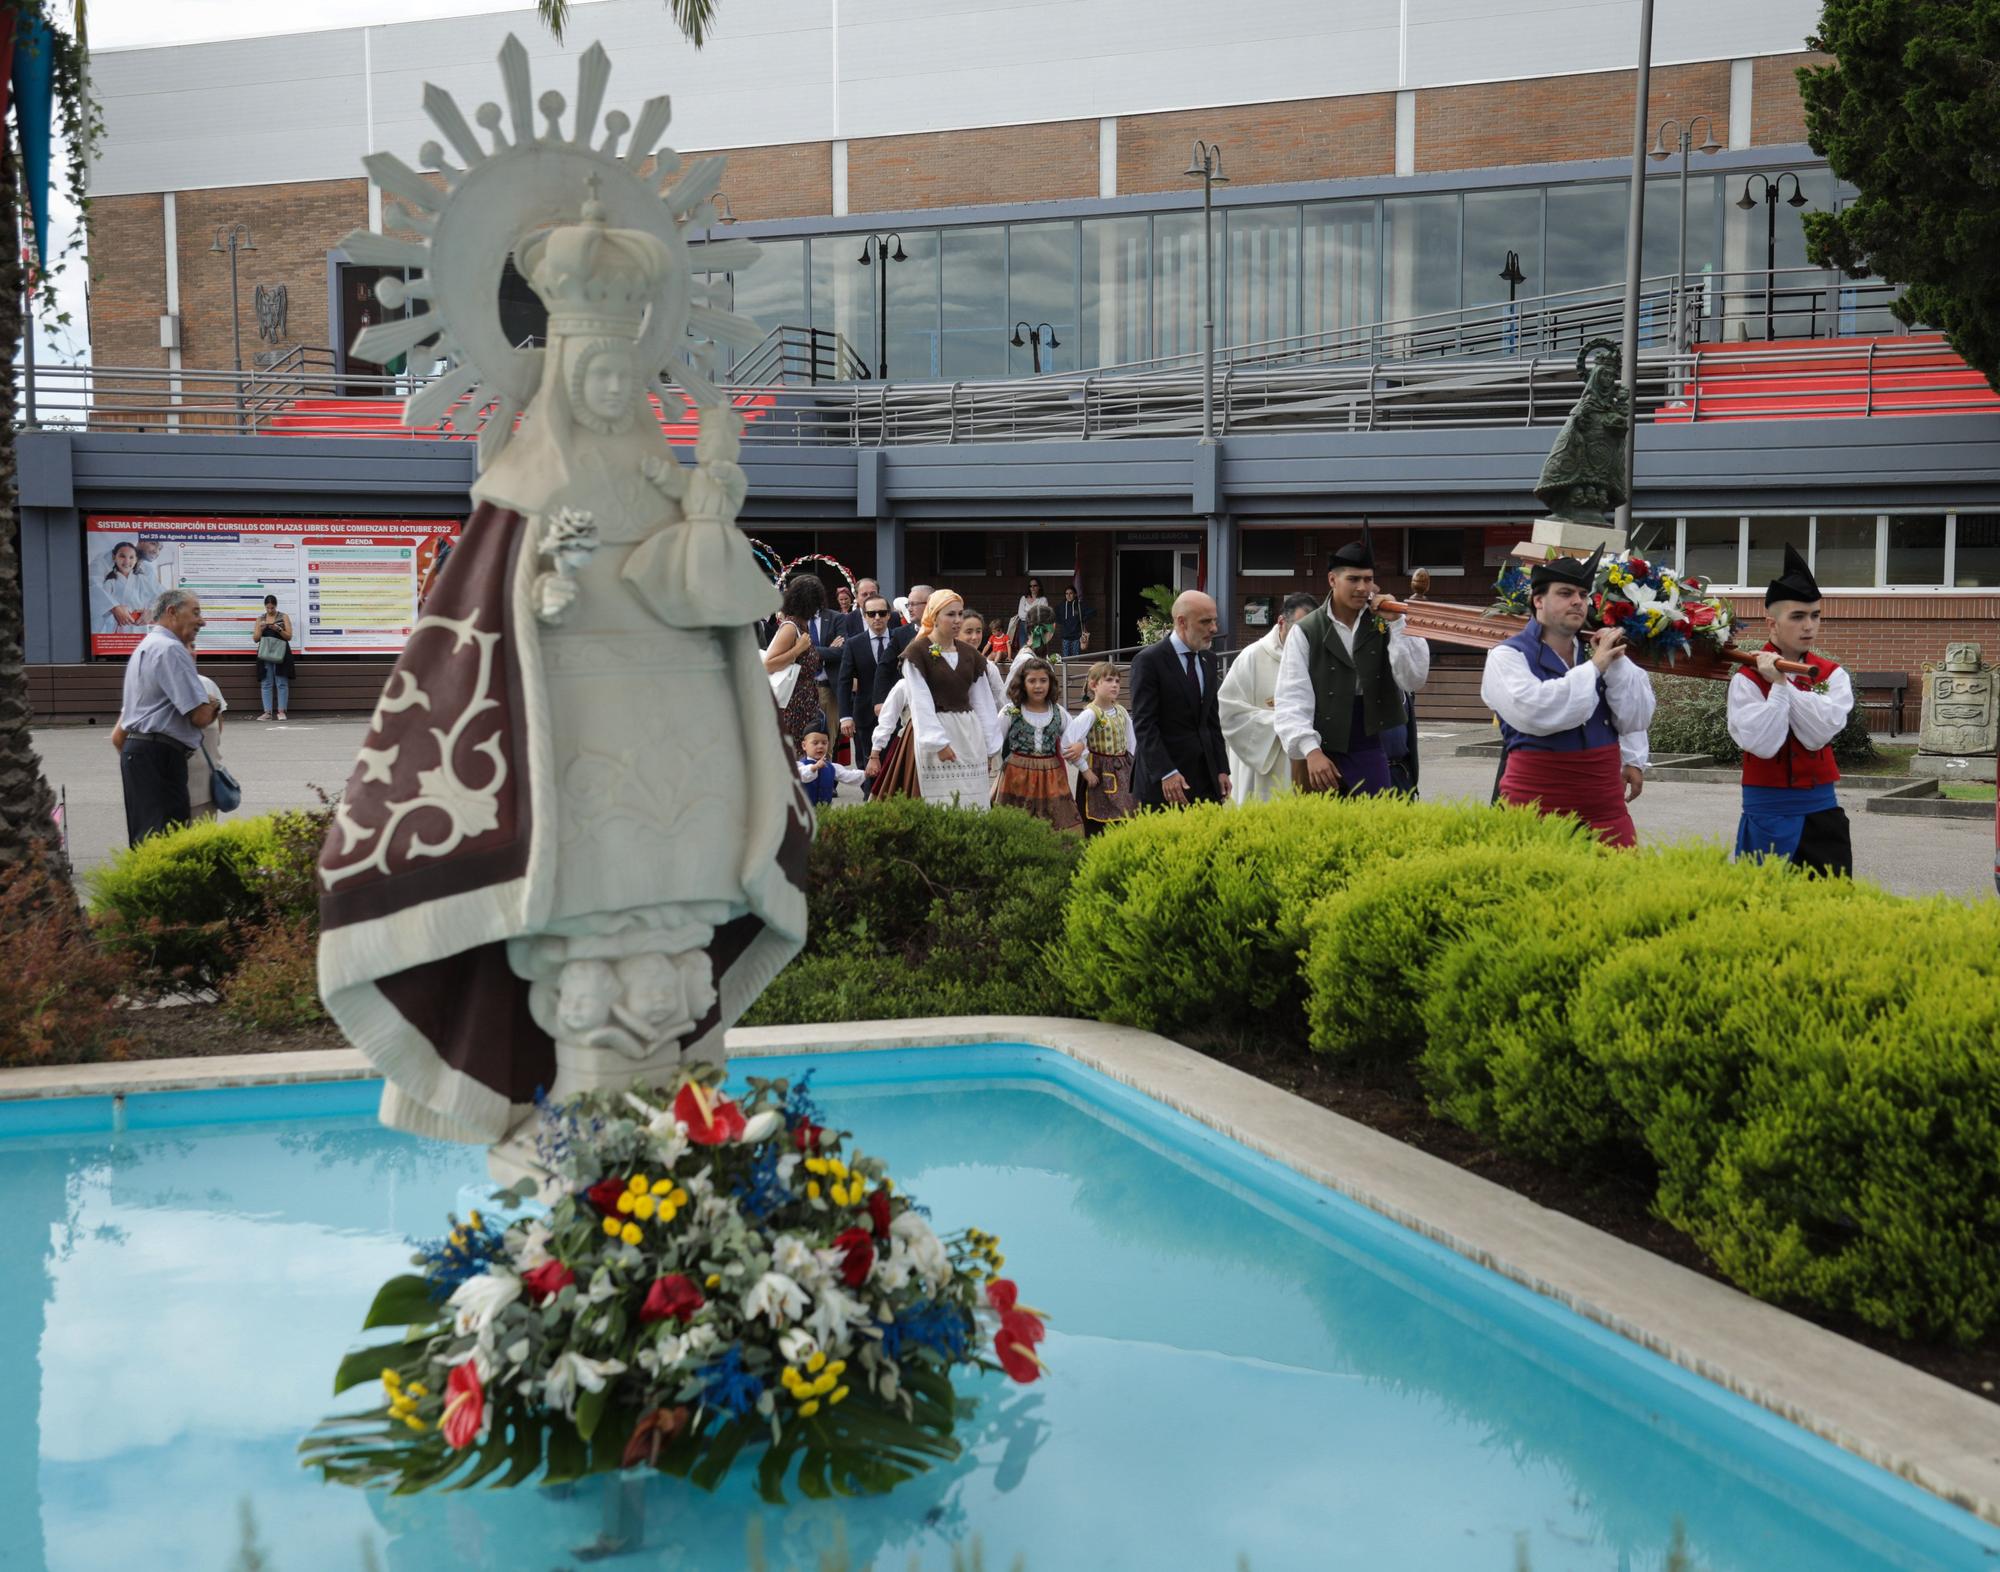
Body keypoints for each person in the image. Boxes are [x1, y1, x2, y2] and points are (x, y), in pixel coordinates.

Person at [1479, 546, 1654, 847]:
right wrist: (1596, 667)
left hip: (1605, 805)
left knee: (1617, 889)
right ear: (1538, 601)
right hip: (1535, 806)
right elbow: (1537, 712)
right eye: (1565, 593)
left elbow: (1635, 717)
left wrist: (1633, 758)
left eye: (1583, 595)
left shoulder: (1599, 653)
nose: (1577, 601)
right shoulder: (1506, 656)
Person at [1728, 542, 1854, 876]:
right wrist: (1778, 687)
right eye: (1797, 616)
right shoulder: (1746, 679)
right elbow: (1763, 744)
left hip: (1823, 814)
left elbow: (1818, 735)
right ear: (1772, 623)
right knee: (1765, 912)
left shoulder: (1832, 674)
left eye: (1815, 615)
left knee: (1831, 910)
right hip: (1766, 814)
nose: (1809, 626)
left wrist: (1783, 685)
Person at [1275, 528, 1431, 797]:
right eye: (1353, 579)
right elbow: (1291, 699)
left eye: (1368, 579)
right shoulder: (1306, 630)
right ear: (1332, 580)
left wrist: (1397, 624)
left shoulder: (1387, 621)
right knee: (1317, 831)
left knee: (1376, 826)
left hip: (1369, 744)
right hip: (1318, 747)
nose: (1362, 588)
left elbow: (1413, 679)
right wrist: (1311, 751)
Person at [115, 588, 221, 845]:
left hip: (140, 752)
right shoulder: (171, 650)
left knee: (147, 837)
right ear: (172, 612)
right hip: (160, 755)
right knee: (168, 838)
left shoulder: (148, 646)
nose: (202, 621)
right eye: (195, 612)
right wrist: (214, 704)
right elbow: (200, 716)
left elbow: (118, 734)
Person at [899, 588, 1001, 809]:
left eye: (960, 614)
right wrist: (938, 743)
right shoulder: (917, 653)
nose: (957, 620)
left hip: (969, 732)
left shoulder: (969, 653)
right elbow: (920, 702)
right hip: (939, 730)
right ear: (934, 617)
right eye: (950, 614)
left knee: (972, 798)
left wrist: (990, 744)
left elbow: (982, 701)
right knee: (942, 800)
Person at [1130, 590, 1230, 807]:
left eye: (1214, 621)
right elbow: (1145, 724)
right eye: (1205, 622)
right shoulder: (1148, 661)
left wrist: (1222, 768)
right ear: (1182, 622)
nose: (1214, 628)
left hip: (1206, 779)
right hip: (1163, 783)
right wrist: (1166, 772)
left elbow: (1212, 722)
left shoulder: (1209, 660)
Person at [1219, 591, 1317, 803]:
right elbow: (1229, 713)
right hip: (1262, 765)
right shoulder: (1252, 657)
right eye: (1299, 631)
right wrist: (1286, 722)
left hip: (1307, 762)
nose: (1304, 639)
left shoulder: (1318, 659)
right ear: (1281, 622)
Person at [993, 654, 1083, 832]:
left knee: (1058, 820)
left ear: (1050, 683)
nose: (1038, 686)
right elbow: (994, 740)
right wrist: (993, 768)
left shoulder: (1059, 712)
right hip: (1016, 775)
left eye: (1043, 680)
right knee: (1015, 821)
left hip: (1051, 775)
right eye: (1032, 681)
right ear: (1023, 684)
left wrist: (1080, 745)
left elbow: (1073, 738)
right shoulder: (1011, 711)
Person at [835, 590, 911, 774]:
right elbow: (844, 680)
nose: (877, 618)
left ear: (889, 615)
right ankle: (870, 800)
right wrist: (845, 716)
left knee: (897, 766)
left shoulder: (900, 639)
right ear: (864, 615)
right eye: (871, 614)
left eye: (882, 613)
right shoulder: (854, 643)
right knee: (867, 766)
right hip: (865, 713)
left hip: (900, 713)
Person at [1063, 661, 1138, 836]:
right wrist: (1084, 769)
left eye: (1117, 681)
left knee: (1126, 813)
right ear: (1094, 685)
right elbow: (1068, 742)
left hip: (1123, 771)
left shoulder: (1121, 711)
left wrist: (1133, 765)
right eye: (1109, 680)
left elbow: (1131, 740)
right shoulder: (1090, 714)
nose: (1115, 685)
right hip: (1098, 773)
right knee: (1098, 822)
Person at [763, 573, 829, 743]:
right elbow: (768, 665)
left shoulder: (803, 626)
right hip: (792, 705)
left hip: (806, 703)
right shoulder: (791, 627)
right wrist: (797, 650)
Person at [91, 540, 154, 636]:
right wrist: (116, 610)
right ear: (114, 557)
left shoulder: (142, 579)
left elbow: (154, 597)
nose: (127, 561)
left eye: (131, 557)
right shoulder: (110, 581)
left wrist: (150, 610)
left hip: (139, 624)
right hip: (118, 625)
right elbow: (103, 605)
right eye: (122, 556)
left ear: (136, 559)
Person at [796, 726, 867, 808]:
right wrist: (814, 767)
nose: (820, 746)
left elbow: (847, 775)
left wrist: (865, 773)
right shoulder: (800, 765)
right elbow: (801, 774)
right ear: (804, 746)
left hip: (825, 811)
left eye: (824, 743)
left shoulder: (831, 766)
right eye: (815, 743)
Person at [254, 595, 295, 720]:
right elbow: (255, 639)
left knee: (281, 682)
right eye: (268, 608)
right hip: (265, 652)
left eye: (272, 608)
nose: (270, 610)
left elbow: (289, 636)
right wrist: (261, 629)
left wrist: (278, 629)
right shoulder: (260, 618)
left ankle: (281, 711)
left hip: (281, 652)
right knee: (266, 682)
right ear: (265, 606)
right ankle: (267, 712)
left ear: (276, 606)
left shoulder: (283, 617)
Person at [1008, 577, 1049, 644]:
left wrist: (1028, 613)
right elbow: (1021, 614)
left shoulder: (1043, 600)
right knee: (1023, 648)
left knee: (1036, 647)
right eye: (1030, 586)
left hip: (1037, 626)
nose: (1032, 588)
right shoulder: (1023, 598)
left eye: (1035, 585)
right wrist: (1035, 613)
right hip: (1024, 625)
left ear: (1039, 587)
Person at [1057, 585, 1093, 658]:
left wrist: (1083, 619)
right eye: (1066, 594)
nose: (1068, 595)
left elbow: (1093, 612)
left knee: (1075, 659)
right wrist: (1062, 622)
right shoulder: (1062, 606)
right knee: (1065, 659)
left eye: (1071, 593)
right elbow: (1055, 614)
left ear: (1075, 594)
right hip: (1065, 637)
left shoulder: (1079, 605)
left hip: (1076, 637)